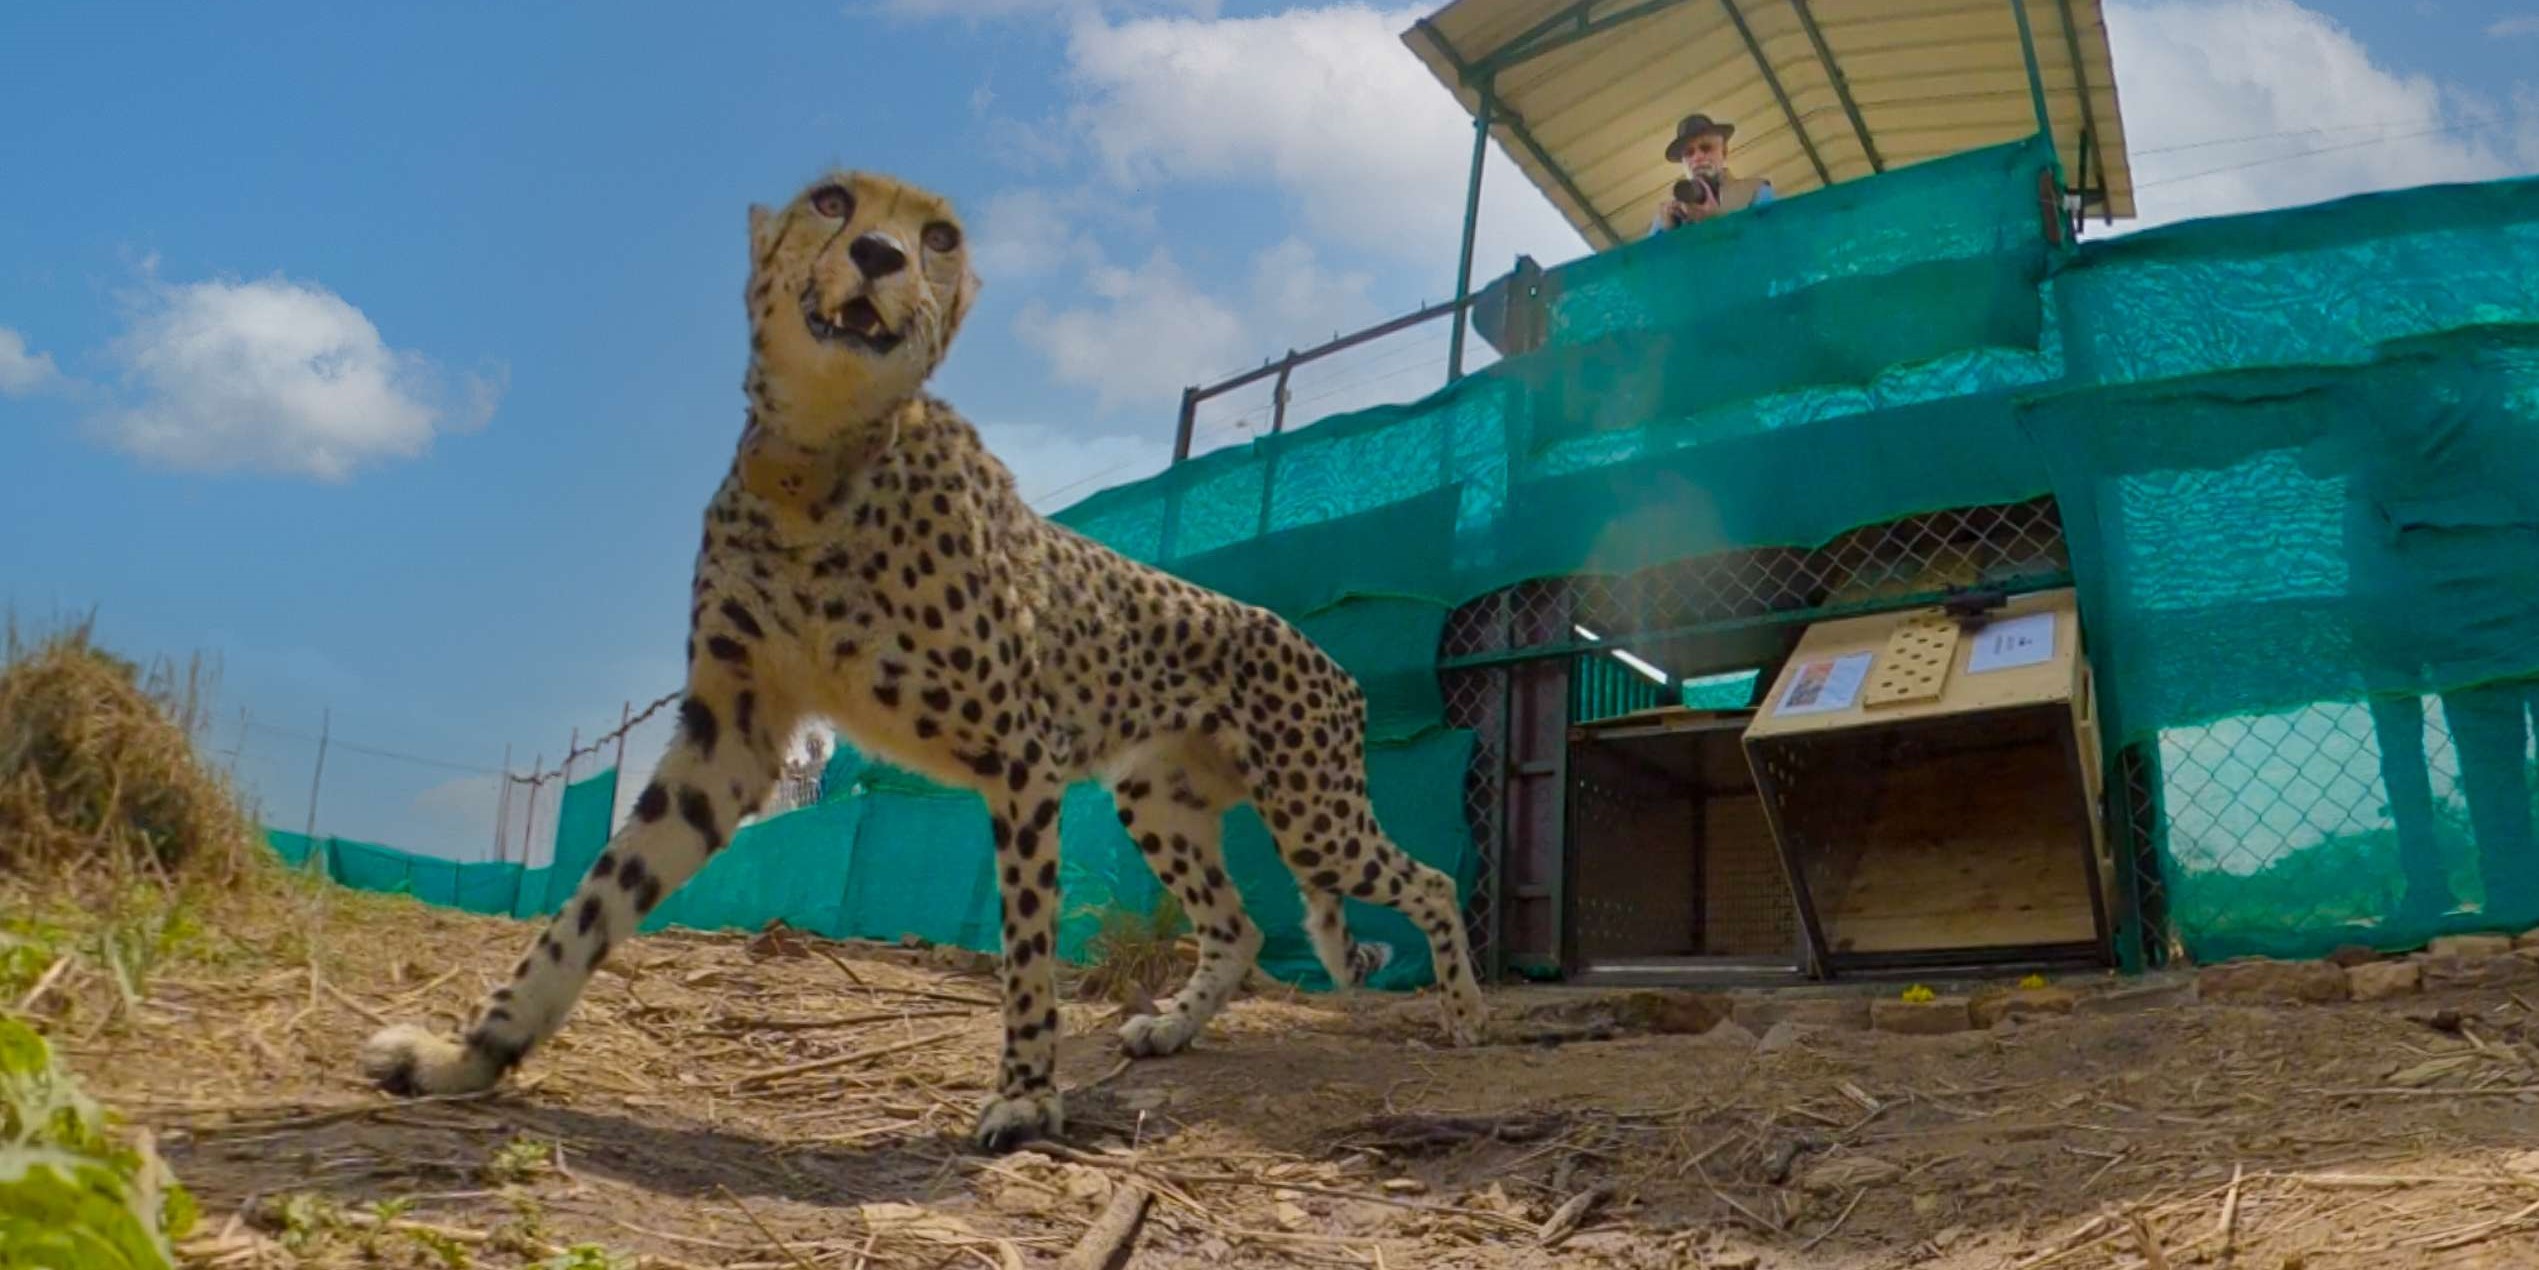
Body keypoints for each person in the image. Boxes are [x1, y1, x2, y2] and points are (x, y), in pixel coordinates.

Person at [1650, 112, 1775, 237]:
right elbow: (1651, 255)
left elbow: (1772, 244)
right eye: (1689, 153)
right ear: (1683, 162)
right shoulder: (1667, 216)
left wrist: (1717, 222)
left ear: (1724, 152)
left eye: (1706, 148)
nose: (1698, 157)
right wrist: (1668, 235)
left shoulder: (1756, 190)